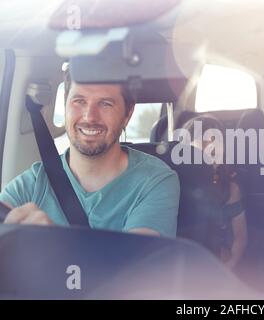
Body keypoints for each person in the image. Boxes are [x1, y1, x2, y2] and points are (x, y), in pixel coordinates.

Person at [0, 65, 180, 237]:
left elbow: (137, 263)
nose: (89, 117)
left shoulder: (155, 181)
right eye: (79, 101)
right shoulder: (32, 184)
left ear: (128, 113)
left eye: (105, 104)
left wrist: (54, 242)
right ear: (65, 106)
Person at [182, 115, 248, 269]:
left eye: (216, 143)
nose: (210, 148)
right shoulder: (175, 185)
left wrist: (229, 266)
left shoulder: (231, 189)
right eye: (202, 144)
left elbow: (240, 236)